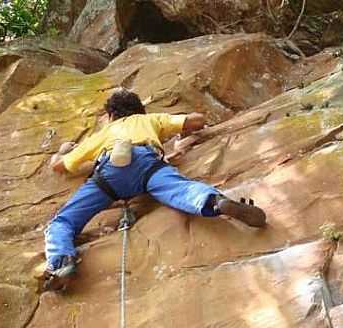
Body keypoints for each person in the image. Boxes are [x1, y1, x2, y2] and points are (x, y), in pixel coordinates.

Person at [43, 88, 266, 291]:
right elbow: (197, 120)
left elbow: (59, 166)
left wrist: (62, 151)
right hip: (148, 164)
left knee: (63, 222)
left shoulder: (103, 133)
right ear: (138, 109)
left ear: (111, 115)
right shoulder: (149, 119)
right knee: (181, 190)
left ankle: (62, 262)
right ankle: (214, 202)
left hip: (109, 175)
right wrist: (181, 130)